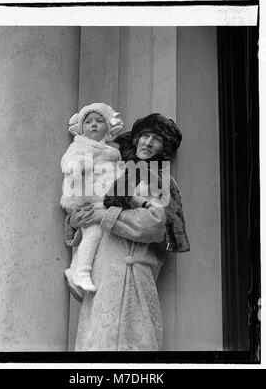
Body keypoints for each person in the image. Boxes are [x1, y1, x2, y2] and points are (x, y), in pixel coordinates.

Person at [64, 113, 190, 351]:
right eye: (144, 136)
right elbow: (86, 203)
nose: (148, 143)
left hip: (135, 276)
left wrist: (107, 216)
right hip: (102, 274)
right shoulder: (114, 171)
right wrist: (77, 218)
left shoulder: (161, 181)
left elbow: (154, 225)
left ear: (166, 147)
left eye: (156, 139)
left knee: (134, 346)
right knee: (95, 344)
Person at [60, 103, 123, 295]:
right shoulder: (79, 146)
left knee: (95, 234)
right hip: (85, 197)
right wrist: (76, 165)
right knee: (93, 233)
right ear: (81, 128)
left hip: (104, 199)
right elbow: (67, 162)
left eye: (99, 121)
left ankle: (74, 270)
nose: (93, 125)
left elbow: (119, 172)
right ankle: (82, 272)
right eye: (88, 122)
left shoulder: (113, 151)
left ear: (108, 126)